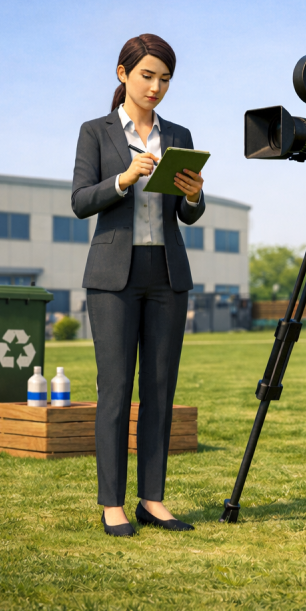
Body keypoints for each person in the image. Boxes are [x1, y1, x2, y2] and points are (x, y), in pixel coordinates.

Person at [72, 34, 205, 537]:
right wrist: (124, 178)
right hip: (112, 278)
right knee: (116, 390)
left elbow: (189, 214)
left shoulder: (179, 133)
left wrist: (193, 196)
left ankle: (153, 498)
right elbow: (81, 200)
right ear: (123, 73)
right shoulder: (96, 132)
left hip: (166, 275)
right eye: (147, 75)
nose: (156, 86)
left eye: (165, 78)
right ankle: (112, 504)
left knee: (159, 390)